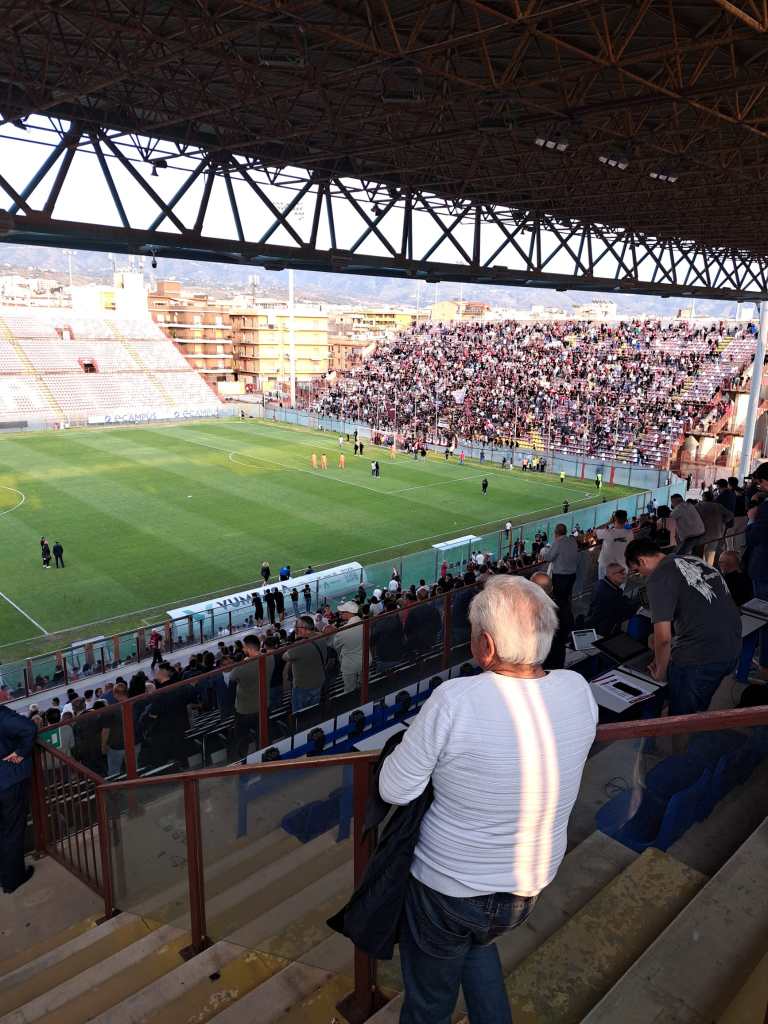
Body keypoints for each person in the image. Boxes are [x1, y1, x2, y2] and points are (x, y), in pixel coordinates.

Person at [378, 576, 597, 1024]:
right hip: (526, 889)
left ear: (487, 647)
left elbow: (394, 789)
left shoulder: (455, 699)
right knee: (479, 945)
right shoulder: (578, 688)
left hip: (447, 890)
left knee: (429, 1002)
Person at [625, 538, 741, 715]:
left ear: (642, 560)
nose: (641, 576)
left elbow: (663, 640)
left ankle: (683, 740)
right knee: (698, 704)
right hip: (731, 648)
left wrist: (660, 672)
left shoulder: (658, 577)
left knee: (681, 719)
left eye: (637, 570)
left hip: (700, 658)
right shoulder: (696, 560)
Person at [0, 704, 38, 893]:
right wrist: (21, 753)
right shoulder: (2, 716)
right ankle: (13, 879)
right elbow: (29, 728)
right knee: (13, 831)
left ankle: (4, 873)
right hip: (8, 783)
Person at [283, 616, 328, 713]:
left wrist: (296, 640)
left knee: (299, 716)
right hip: (319, 681)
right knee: (313, 711)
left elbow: (285, 656)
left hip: (303, 687)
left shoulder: (299, 646)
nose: (295, 629)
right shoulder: (321, 637)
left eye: (297, 627)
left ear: (304, 629)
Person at [229, 635, 263, 761]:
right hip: (262, 705)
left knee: (241, 740)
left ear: (248, 648)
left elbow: (232, 677)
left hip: (244, 711)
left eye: (244, 647)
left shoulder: (242, 667)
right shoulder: (269, 659)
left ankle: (241, 761)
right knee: (261, 734)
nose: (243, 649)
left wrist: (245, 661)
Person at [587, 563, 641, 637]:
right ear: (611, 575)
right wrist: (639, 601)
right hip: (603, 632)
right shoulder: (610, 593)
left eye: (625, 572)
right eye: (621, 572)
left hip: (597, 626)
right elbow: (625, 611)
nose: (625, 575)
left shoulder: (602, 584)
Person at [331, 601, 365, 694]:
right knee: (364, 685)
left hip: (350, 665)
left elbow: (336, 646)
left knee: (349, 690)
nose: (340, 613)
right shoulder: (365, 623)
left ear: (349, 613)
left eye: (342, 612)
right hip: (365, 660)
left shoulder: (343, 631)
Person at [542, 523, 579, 603]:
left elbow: (549, 557)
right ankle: (568, 613)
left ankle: (561, 614)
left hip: (561, 577)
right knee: (567, 598)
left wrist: (543, 554)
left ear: (556, 532)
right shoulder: (572, 541)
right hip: (572, 575)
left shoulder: (558, 542)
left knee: (559, 600)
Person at [596, 509, 631, 578]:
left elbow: (595, 531)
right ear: (625, 519)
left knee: (603, 586)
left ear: (614, 519)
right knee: (619, 587)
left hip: (606, 565)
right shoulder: (630, 533)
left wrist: (609, 522)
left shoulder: (607, 532)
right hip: (621, 566)